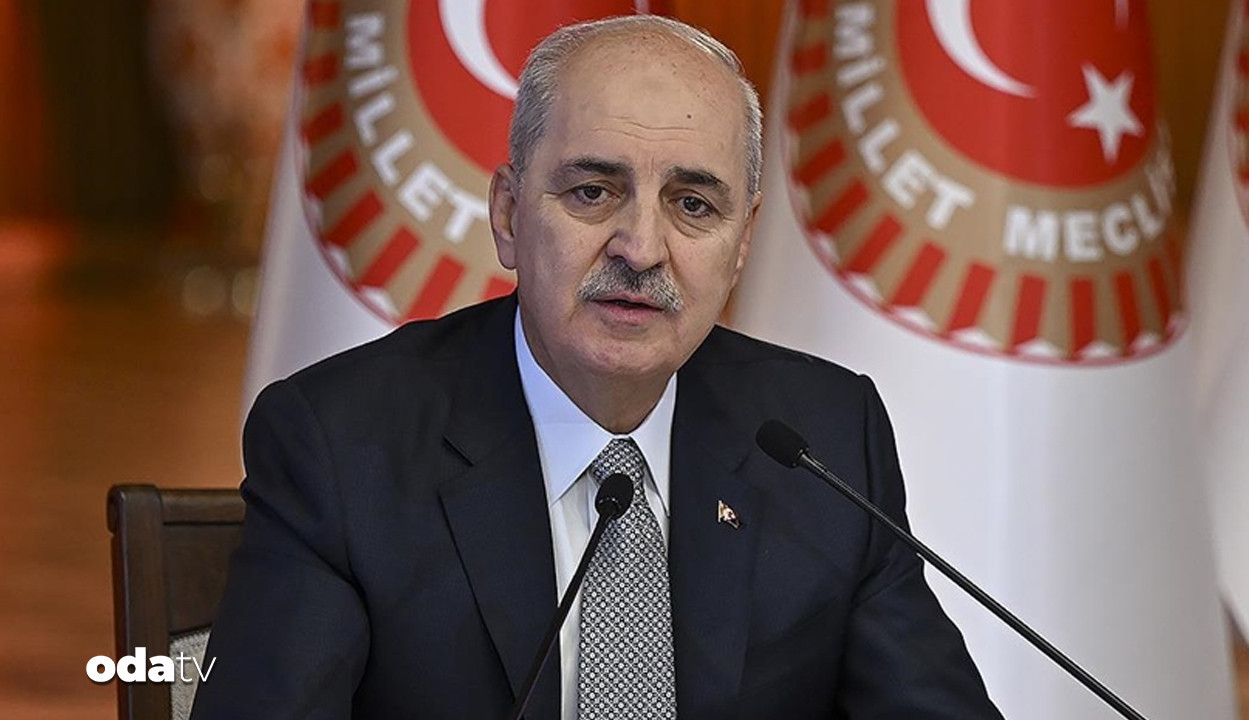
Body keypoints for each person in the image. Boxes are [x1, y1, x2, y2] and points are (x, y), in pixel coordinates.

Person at [192, 15, 1003, 720]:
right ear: (509, 215)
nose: (641, 248)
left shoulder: (822, 436)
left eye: (693, 205)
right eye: (591, 192)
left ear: (742, 244)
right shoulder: (341, 444)